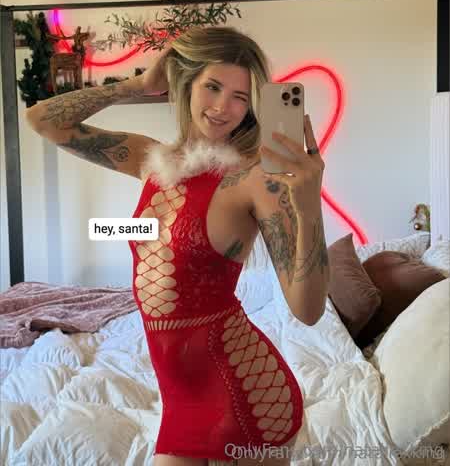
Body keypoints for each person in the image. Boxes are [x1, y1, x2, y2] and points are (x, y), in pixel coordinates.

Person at [25, 25, 329, 466]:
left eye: (240, 97)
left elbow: (308, 309)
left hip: (248, 393)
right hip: (181, 401)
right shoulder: (149, 159)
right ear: (186, 83)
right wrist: (136, 85)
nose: (223, 107)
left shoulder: (255, 180)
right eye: (213, 86)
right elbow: (42, 120)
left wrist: (309, 207)